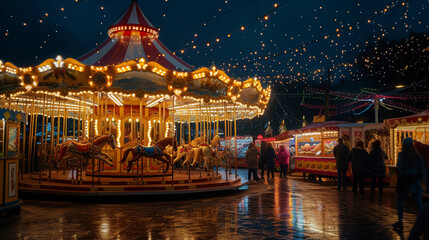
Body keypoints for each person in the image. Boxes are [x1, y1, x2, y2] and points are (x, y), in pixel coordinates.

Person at [393, 137, 425, 231]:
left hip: (404, 180)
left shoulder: (402, 155)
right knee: (419, 202)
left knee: (400, 201)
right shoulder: (418, 156)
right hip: (415, 179)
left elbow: (399, 166)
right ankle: (424, 221)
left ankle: (400, 221)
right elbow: (421, 169)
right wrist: (421, 179)